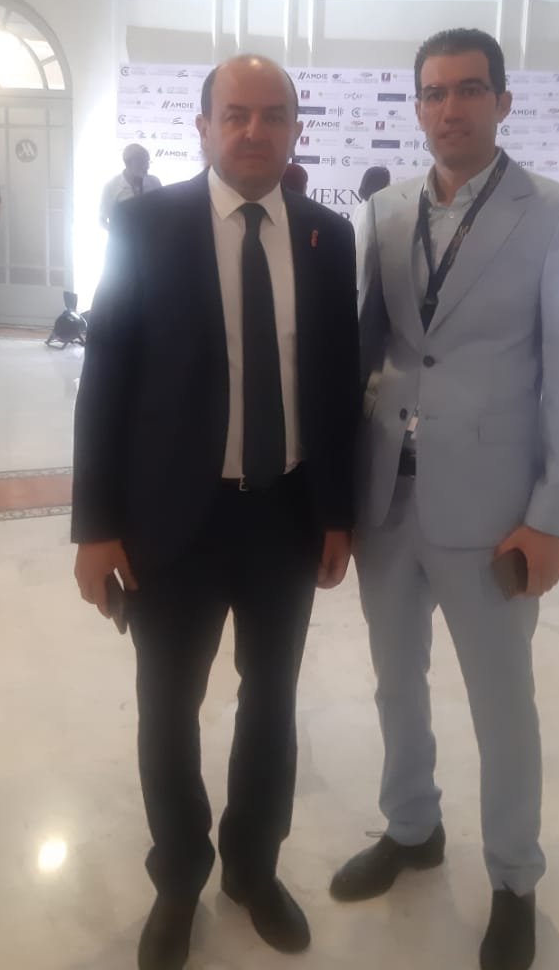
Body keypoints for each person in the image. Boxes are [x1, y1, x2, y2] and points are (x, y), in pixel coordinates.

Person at [72, 55, 360, 970]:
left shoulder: (327, 236)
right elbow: (106, 376)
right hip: (170, 521)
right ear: (201, 127)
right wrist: (93, 526)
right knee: (168, 709)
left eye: (272, 115)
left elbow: (335, 384)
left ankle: (251, 867)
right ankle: (178, 879)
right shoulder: (144, 225)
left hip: (284, 517)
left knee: (271, 705)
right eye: (234, 114)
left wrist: (337, 513)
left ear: (295, 129)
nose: (253, 131)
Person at [331, 29, 559, 970]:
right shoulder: (383, 210)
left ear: (502, 102)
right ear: (416, 106)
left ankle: (514, 878)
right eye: (435, 93)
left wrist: (551, 515)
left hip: (491, 507)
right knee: (394, 679)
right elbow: (366, 349)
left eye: (470, 90)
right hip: (386, 495)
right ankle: (412, 827)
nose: (451, 108)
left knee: (500, 700)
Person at [99, 143, 162, 227]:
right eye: (141, 163)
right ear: (127, 163)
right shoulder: (111, 187)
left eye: (147, 162)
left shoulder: (154, 182)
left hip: (151, 233)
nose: (147, 166)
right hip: (124, 235)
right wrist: (117, 232)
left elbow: (162, 210)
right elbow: (102, 220)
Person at [351, 166, 391, 267]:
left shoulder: (361, 207)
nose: (390, 187)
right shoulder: (371, 213)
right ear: (379, 186)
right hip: (365, 270)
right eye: (388, 184)